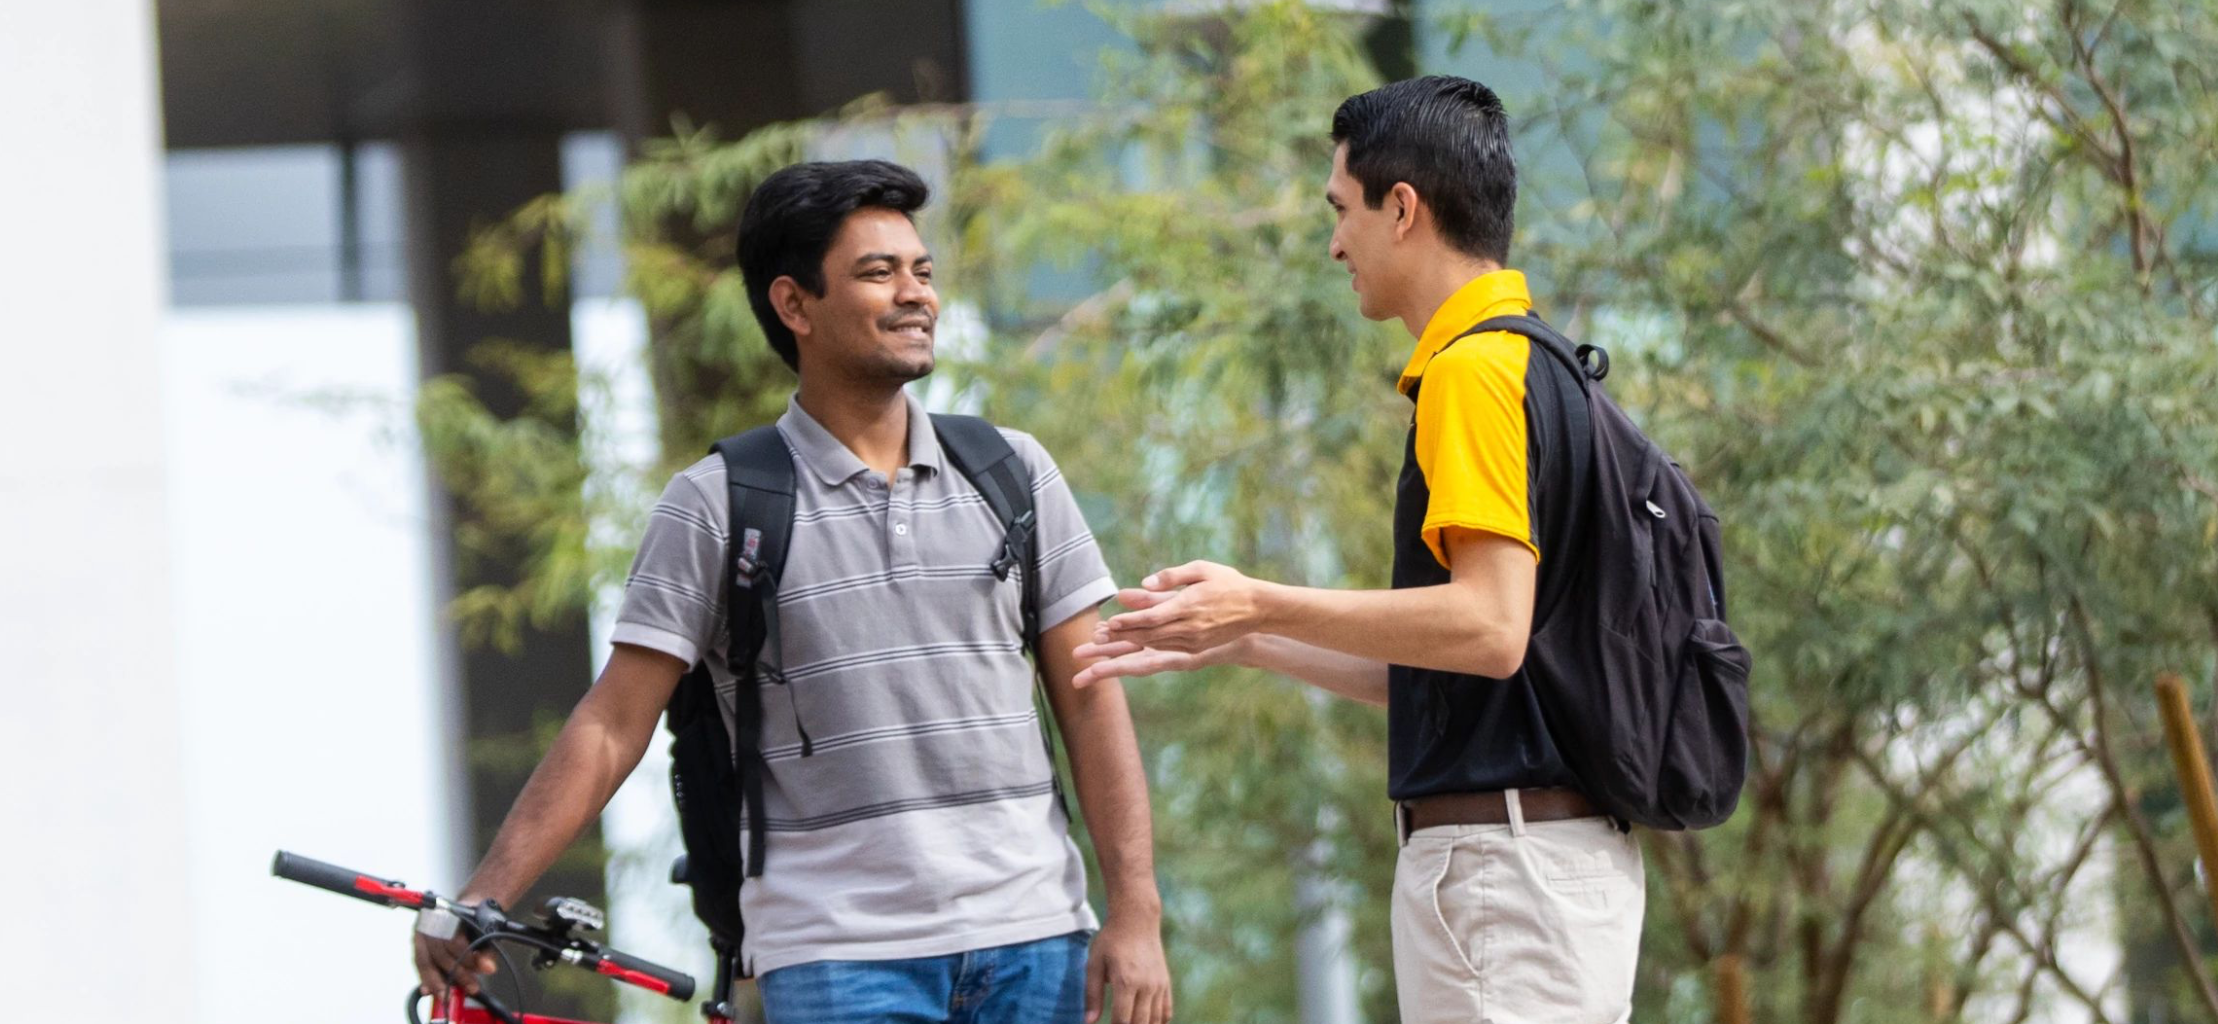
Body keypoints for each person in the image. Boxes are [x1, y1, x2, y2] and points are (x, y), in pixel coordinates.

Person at [414, 159, 1174, 1024]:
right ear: (794, 305)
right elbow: (611, 724)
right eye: (878, 272)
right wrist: (487, 894)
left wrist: (1137, 912)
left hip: (1036, 939)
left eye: (922, 271)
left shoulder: (1014, 472)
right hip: (839, 958)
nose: (916, 293)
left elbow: (1092, 697)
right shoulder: (719, 504)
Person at [1068, 76, 1648, 1023]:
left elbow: (1489, 627)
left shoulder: (1472, 374)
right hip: (1543, 869)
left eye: (1342, 210)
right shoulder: (1543, 367)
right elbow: (1460, 666)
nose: (1336, 242)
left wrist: (1260, 600)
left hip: (1504, 877)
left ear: (1404, 209)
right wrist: (1241, 640)